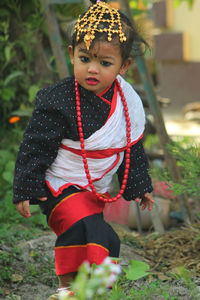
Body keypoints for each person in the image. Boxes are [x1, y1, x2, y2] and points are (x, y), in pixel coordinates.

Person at [13, 0, 154, 298]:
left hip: (94, 188)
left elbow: (131, 147)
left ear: (123, 66)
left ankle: (91, 289)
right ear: (70, 55)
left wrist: (139, 185)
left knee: (103, 237)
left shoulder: (127, 105)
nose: (92, 69)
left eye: (105, 63)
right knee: (84, 226)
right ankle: (69, 288)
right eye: (84, 58)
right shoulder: (57, 99)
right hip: (59, 183)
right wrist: (26, 187)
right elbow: (35, 146)